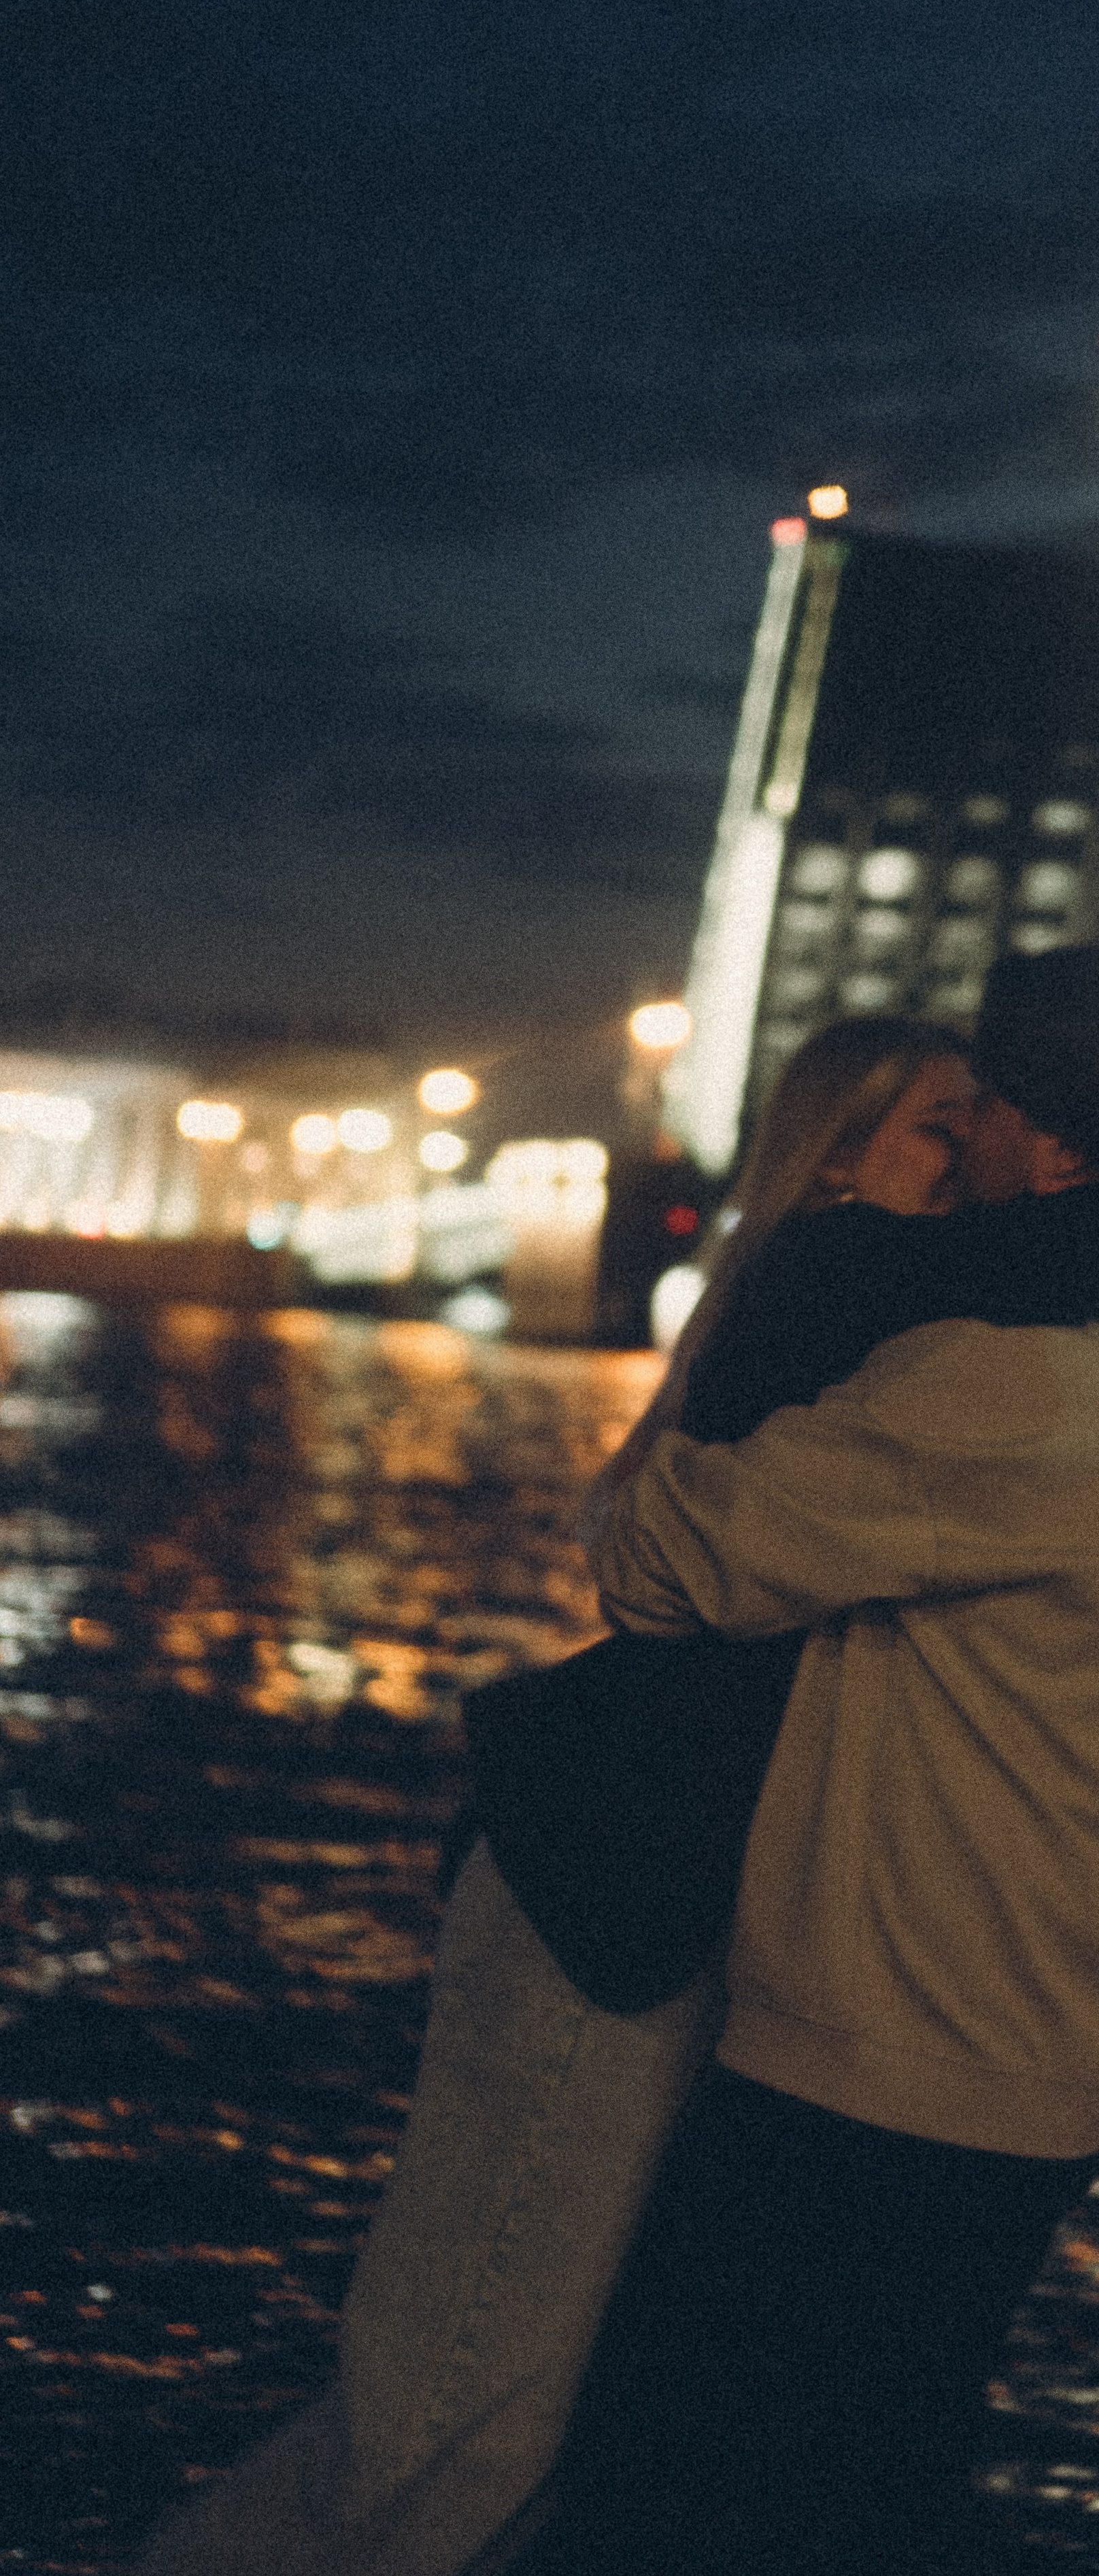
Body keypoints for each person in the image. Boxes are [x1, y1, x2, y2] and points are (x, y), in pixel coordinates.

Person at [135, 1016, 979, 2576]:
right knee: (460, 2423)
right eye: (943, 1126)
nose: (979, 1159)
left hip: (638, 1904)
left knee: (504, 2426)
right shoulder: (842, 1276)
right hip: (605, 1909)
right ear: (841, 1154)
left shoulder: (825, 1306)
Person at [519, 939, 1099, 2575]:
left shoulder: (1004, 1382)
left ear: (1056, 1153)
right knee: (862, 2492)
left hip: (889, 2062)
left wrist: (811, 1275)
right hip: (1049, 2044)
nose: (968, 1125)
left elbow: (656, 1561)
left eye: (987, 1104)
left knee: (678, 2498)